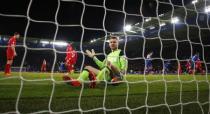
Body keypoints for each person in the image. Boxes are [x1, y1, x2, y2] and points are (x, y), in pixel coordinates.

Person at [63, 36, 128, 88]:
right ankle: (78, 82)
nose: (112, 43)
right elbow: (102, 65)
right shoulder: (108, 55)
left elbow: (124, 68)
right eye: (111, 42)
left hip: (116, 75)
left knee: (108, 66)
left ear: (118, 43)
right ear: (109, 44)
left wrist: (119, 77)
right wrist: (93, 57)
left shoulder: (121, 53)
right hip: (106, 73)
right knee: (88, 67)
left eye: (114, 42)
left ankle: (95, 81)